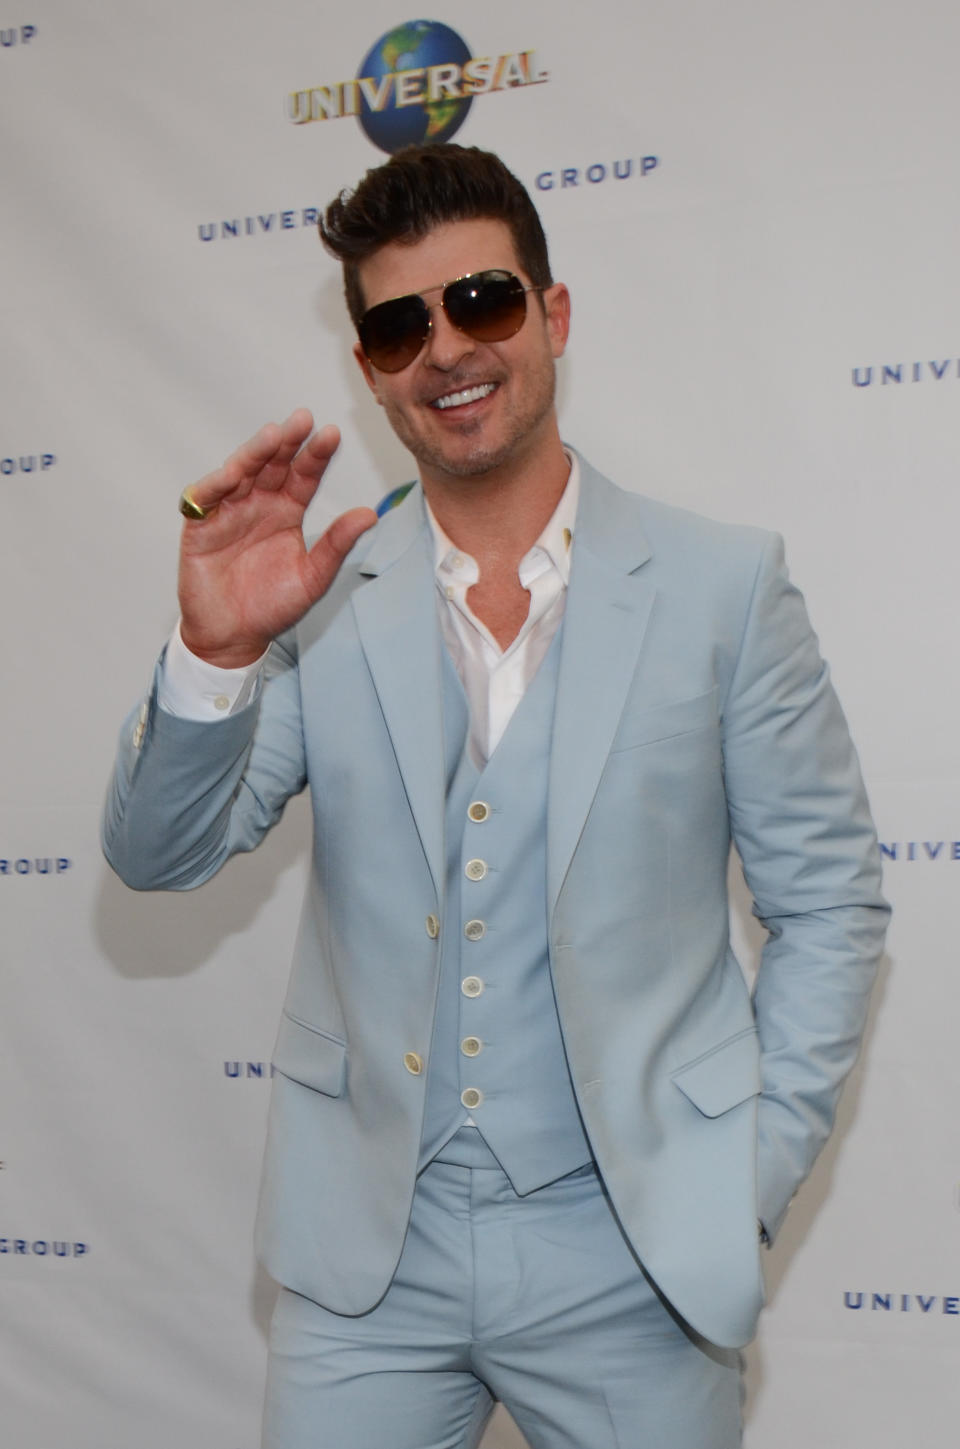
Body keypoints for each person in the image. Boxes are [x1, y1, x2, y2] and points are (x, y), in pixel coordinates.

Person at [103, 144, 888, 1449]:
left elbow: (834, 908)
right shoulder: (323, 595)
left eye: (483, 301)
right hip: (367, 1265)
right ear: (369, 366)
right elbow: (159, 855)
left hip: (636, 1256)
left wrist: (734, 1179)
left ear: (553, 311)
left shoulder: (722, 587)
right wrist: (216, 650)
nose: (446, 348)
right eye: (401, 323)